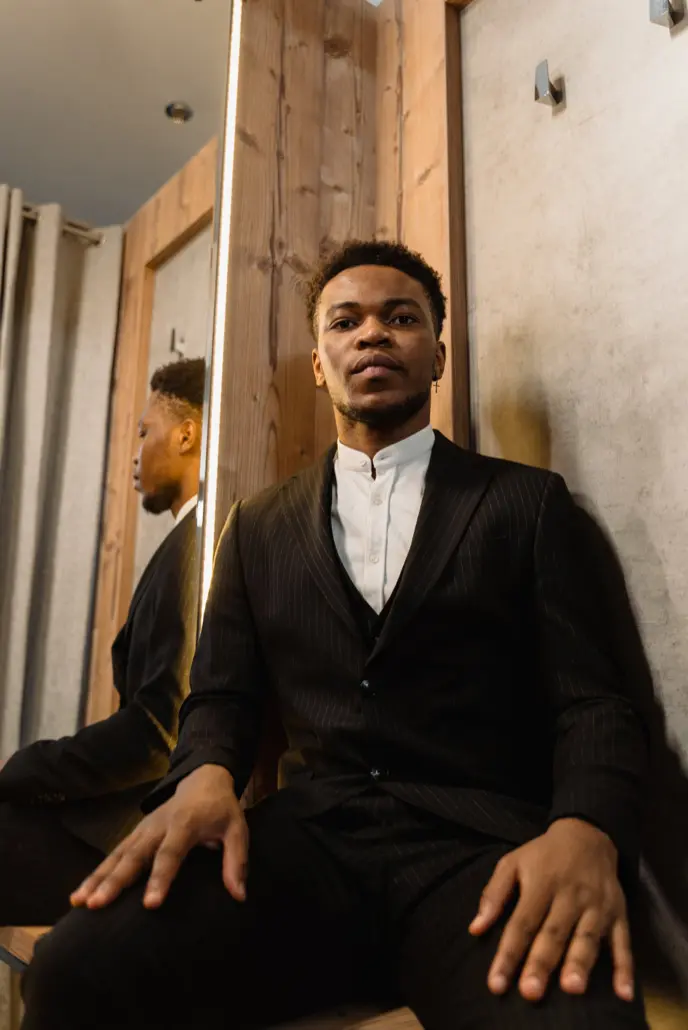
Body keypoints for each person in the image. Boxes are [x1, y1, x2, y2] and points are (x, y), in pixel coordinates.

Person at [21, 243, 649, 1030]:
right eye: (346, 322)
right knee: (74, 968)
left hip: (480, 853)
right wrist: (205, 776)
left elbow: (594, 703)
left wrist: (586, 829)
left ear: (438, 355)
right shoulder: (256, 527)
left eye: (401, 318)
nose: (373, 334)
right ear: (320, 363)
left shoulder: (527, 504)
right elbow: (220, 695)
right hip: (306, 848)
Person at [0, 357, 204, 926]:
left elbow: (158, 732)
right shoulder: (187, 542)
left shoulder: (195, 548)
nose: (135, 454)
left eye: (144, 432)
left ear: (186, 435)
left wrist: (24, 769)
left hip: (130, 832)